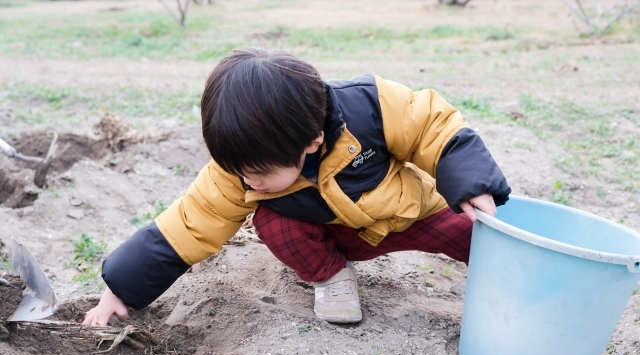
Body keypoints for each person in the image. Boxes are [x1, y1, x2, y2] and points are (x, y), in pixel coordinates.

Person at [82, 47, 510, 326]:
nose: (250, 182)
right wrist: (119, 290)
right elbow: (190, 223)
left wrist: (470, 182)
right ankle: (331, 276)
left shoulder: (371, 106)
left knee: (485, 234)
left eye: (260, 174)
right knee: (274, 220)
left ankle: (518, 283)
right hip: (335, 236)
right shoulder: (243, 167)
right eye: (240, 171)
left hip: (405, 214)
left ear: (312, 141)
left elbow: (432, 127)